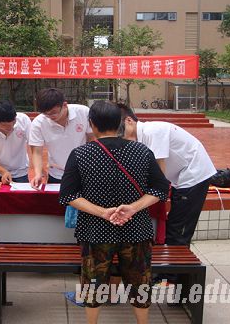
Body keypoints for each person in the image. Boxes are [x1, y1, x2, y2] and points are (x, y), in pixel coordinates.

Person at [59, 101, 169, 324]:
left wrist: (102, 212)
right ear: (120, 123)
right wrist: (133, 208)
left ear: (92, 124)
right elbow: (160, 189)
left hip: (95, 230)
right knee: (140, 282)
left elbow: (68, 196)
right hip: (136, 228)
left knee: (93, 283)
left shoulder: (81, 154)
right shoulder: (142, 151)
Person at [118, 104, 216, 246]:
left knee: (178, 231)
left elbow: (160, 179)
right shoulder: (141, 136)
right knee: (175, 225)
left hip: (193, 176)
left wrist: (135, 206)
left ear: (129, 120)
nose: (121, 137)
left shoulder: (153, 131)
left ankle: (179, 256)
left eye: (121, 132)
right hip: (180, 177)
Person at [29, 88, 93, 189]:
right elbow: (37, 152)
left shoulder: (83, 112)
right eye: (46, 114)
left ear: (64, 105)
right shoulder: (38, 123)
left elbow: (92, 139)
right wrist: (38, 173)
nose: (50, 116)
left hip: (83, 171)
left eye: (54, 112)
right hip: (57, 173)